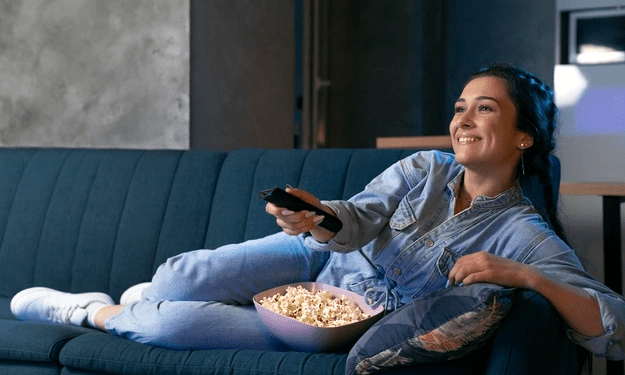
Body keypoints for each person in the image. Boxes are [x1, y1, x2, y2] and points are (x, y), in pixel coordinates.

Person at [10, 63, 625, 361]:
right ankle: (162, 294)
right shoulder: (425, 168)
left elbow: (614, 331)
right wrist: (316, 218)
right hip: (319, 256)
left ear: (525, 137)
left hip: (346, 321)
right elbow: (357, 215)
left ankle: (86, 308)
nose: (462, 118)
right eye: (460, 106)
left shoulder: (524, 234)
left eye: (484, 108)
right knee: (173, 276)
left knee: (168, 328)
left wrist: (528, 278)